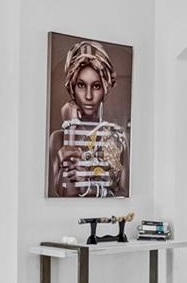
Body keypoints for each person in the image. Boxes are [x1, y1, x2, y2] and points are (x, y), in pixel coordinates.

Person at [47, 39, 129, 197]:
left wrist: (89, 188)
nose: (89, 96)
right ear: (72, 87)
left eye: (96, 86)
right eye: (81, 85)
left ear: (104, 88)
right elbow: (66, 192)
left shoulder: (118, 136)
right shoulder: (58, 138)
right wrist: (71, 127)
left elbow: (124, 194)